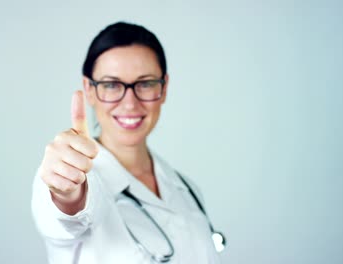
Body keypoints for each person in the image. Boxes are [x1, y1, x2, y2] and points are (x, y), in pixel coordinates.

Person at [31, 22, 223, 263]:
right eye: (111, 85)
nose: (130, 103)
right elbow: (68, 216)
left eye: (145, 83)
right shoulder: (68, 176)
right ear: (88, 90)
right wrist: (68, 193)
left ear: (164, 88)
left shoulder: (187, 190)